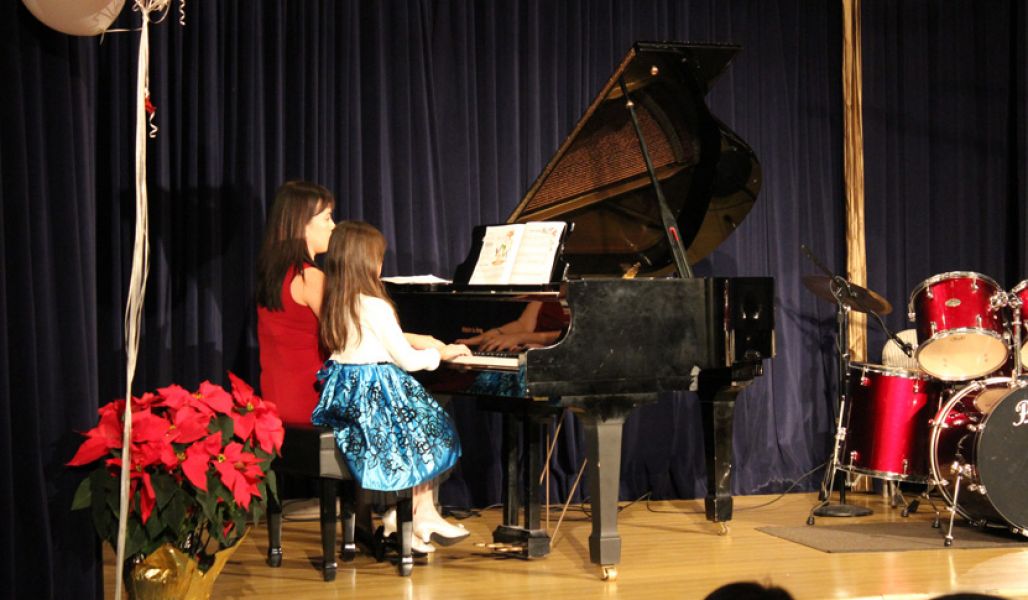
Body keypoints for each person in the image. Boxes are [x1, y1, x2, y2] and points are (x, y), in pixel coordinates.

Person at [311, 221, 472, 553]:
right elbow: (408, 361)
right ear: (366, 262)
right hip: (375, 395)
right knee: (435, 428)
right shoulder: (376, 305)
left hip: (347, 398)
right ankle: (413, 515)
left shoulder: (338, 302)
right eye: (378, 257)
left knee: (420, 427)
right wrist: (440, 354)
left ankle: (413, 517)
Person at [256, 180, 338, 425]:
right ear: (302, 224)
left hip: (275, 401)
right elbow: (353, 335)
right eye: (327, 218)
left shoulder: (274, 274)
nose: (333, 226)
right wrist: (422, 343)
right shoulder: (310, 278)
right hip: (308, 401)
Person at [456, 300, 567, 351]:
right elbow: (524, 325)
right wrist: (493, 334)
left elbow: (573, 335)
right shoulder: (550, 284)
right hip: (526, 348)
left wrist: (519, 338)